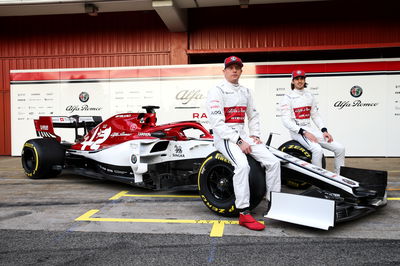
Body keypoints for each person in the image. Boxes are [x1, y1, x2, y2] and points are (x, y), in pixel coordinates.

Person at [206, 56, 281, 231]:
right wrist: (239, 141)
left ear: (241, 71)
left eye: (237, 68)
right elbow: (217, 124)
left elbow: (253, 115)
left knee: (274, 162)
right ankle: (244, 213)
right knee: (243, 166)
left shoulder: (246, 92)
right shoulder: (217, 91)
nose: (234, 70)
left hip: (242, 135)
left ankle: (274, 204)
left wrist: (254, 135)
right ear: (224, 71)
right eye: (230, 68)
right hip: (224, 138)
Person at [280, 70, 345, 174]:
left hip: (310, 129)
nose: (299, 81)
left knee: (340, 148)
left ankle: (339, 178)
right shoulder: (287, 97)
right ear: (292, 81)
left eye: (302, 78)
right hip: (297, 132)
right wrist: (304, 132)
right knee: (317, 150)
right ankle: (319, 180)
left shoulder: (309, 96)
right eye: (297, 79)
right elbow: (286, 121)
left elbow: (315, 115)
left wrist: (324, 130)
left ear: (305, 80)